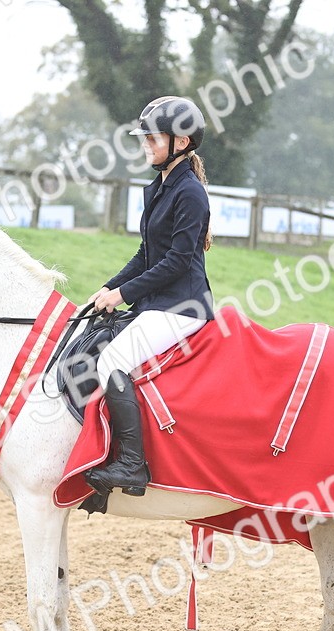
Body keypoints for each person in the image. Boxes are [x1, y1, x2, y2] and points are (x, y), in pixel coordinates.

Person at [85, 95, 214, 497]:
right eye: (144, 138)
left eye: (152, 138)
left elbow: (176, 262)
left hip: (183, 306)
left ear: (181, 142)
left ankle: (131, 465)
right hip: (158, 302)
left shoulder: (190, 192)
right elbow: (145, 254)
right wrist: (109, 288)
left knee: (112, 359)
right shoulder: (157, 187)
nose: (145, 144)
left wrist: (123, 293)